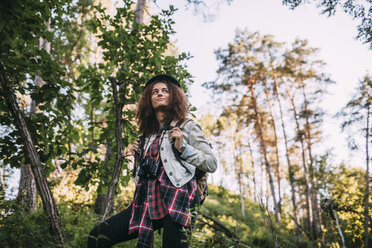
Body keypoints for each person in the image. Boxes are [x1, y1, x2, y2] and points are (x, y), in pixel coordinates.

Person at [87, 74, 217, 248]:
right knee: (99, 236)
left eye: (165, 90)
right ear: (149, 99)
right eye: (154, 92)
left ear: (174, 96)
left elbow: (211, 163)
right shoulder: (146, 137)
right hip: (147, 200)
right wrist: (137, 158)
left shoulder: (188, 126)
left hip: (180, 197)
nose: (159, 94)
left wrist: (183, 147)